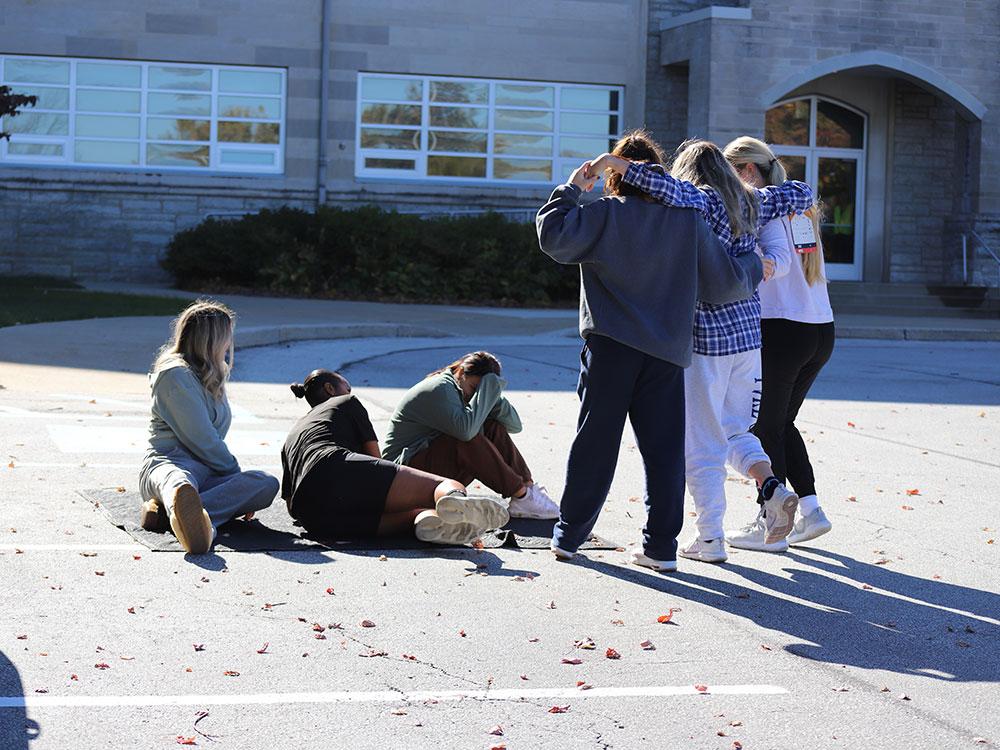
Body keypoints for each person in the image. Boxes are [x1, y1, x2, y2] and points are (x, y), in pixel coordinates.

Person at [536, 129, 763, 571]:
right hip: (666, 352)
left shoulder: (604, 214)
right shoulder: (687, 224)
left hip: (610, 347)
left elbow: (553, 235)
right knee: (663, 453)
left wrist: (572, 188)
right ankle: (660, 547)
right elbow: (723, 286)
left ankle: (569, 536)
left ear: (616, 176)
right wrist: (755, 263)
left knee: (595, 442)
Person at [588, 139, 814, 563]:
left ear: (690, 172)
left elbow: (668, 189)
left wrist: (614, 163)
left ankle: (710, 538)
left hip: (705, 338)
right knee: (734, 431)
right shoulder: (752, 202)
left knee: (701, 443)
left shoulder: (701, 202)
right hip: (748, 336)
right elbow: (801, 192)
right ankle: (772, 488)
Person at [724, 136, 834, 545]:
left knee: (763, 427)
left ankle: (771, 526)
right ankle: (811, 510)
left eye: (729, 172)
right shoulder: (801, 208)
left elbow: (777, 264)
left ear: (748, 171)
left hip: (782, 329)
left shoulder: (764, 207)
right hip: (820, 329)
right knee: (781, 422)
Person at [283, 368, 509, 545]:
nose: (350, 392)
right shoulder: (345, 402)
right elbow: (376, 460)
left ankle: (430, 524)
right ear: (331, 389)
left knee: (413, 516)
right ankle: (455, 499)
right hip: (334, 466)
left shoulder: (293, 433)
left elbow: (291, 505)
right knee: (442, 485)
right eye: (347, 386)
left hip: (314, 518)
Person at [138, 300, 278, 554]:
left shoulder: (212, 374)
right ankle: (201, 524)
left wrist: (237, 482)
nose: (229, 344)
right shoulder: (174, 375)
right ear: (211, 339)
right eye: (226, 337)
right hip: (169, 462)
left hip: (210, 473)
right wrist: (234, 478)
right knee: (180, 482)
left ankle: (172, 515)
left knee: (265, 483)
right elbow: (201, 439)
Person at [381, 351, 559, 519]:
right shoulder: (439, 388)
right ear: (460, 373)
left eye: (480, 392)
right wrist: (486, 391)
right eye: (474, 387)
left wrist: (491, 395)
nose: (475, 395)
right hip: (402, 478)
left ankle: (527, 492)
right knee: (465, 438)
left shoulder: (463, 389)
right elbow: (466, 433)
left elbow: (514, 426)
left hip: (428, 470)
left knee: (491, 426)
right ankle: (521, 494)